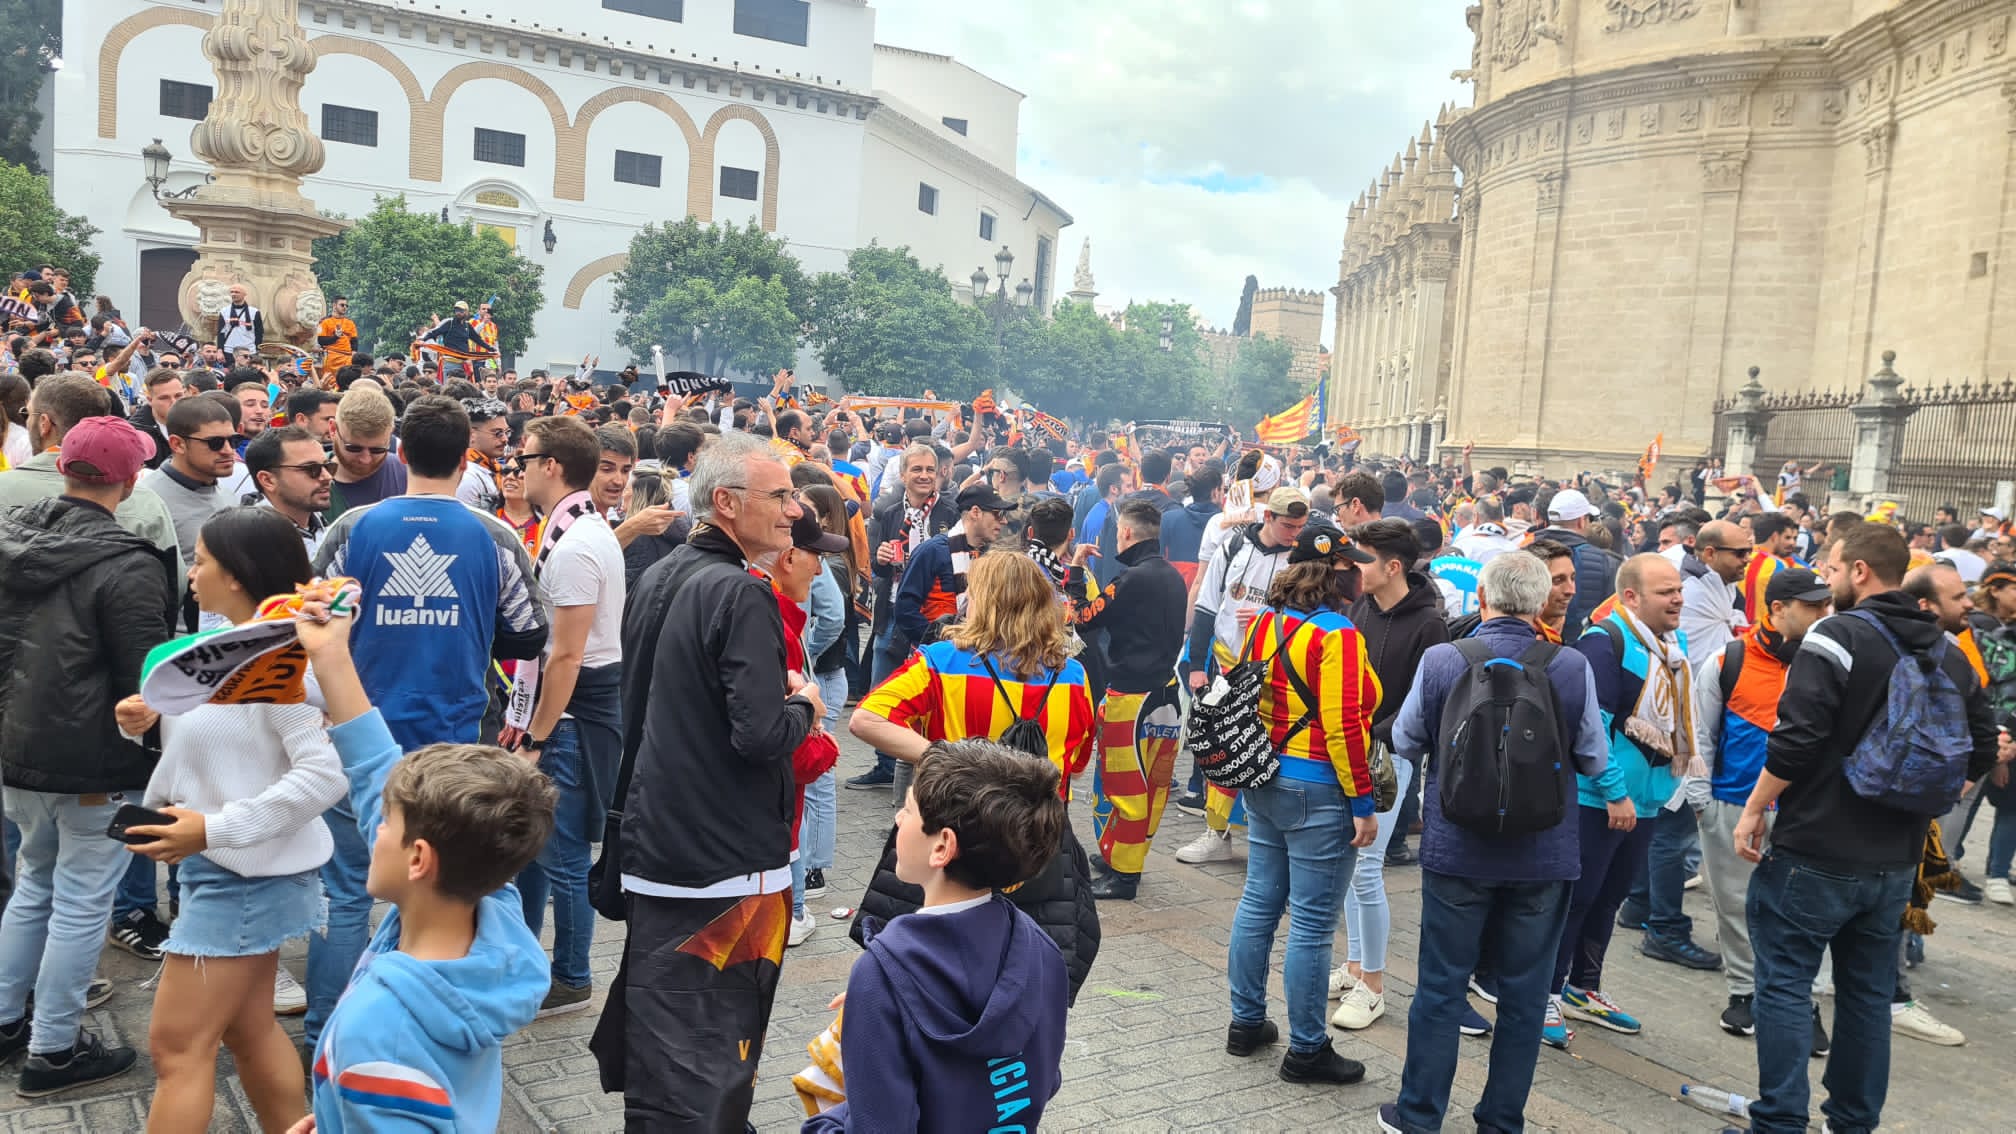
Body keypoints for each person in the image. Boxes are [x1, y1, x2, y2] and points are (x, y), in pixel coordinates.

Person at [1735, 523, 1998, 1134]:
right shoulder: (1948, 650)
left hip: (1816, 845)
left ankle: (1779, 1121)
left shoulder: (1837, 635)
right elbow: (1984, 747)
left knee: (1784, 984)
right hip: (1895, 857)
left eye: (1831, 568)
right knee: (1867, 996)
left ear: (1859, 571)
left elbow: (1797, 739)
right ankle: (1852, 1122)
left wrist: (1754, 809)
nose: (1826, 579)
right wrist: (1930, 800)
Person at [596, 431, 822, 1130]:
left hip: (657, 845)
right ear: (726, 502)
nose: (794, 512)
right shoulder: (741, 592)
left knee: (665, 1046)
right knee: (715, 1051)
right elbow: (760, 736)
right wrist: (805, 706)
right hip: (725, 866)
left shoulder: (662, 571)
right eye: (780, 496)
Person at [308, 395, 547, 1054]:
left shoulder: (352, 527)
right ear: (465, 456)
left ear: (401, 451)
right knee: (454, 890)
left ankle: (326, 1035)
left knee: (345, 893)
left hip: (358, 732)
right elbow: (530, 632)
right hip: (455, 742)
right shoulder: (493, 535)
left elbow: (311, 615)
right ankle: (441, 1024)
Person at [283, 582, 555, 1131]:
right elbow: (373, 774)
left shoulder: (377, 1032)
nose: (373, 826)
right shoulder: (495, 919)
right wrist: (331, 654)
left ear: (419, 859)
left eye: (386, 823)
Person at [116, 508, 346, 1131]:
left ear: (238, 575)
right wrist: (144, 722)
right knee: (247, 1030)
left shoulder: (279, 659)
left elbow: (324, 775)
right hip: (227, 871)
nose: (191, 574)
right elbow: (223, 745)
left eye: (200, 561)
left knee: (177, 1048)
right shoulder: (226, 648)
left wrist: (213, 830)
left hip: (240, 877)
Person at [1376, 552, 1611, 1134]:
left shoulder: (1443, 659)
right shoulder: (1571, 665)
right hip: (1544, 856)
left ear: (1482, 600)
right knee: (1525, 997)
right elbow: (1593, 758)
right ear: (1541, 603)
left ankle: (1419, 1114)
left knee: (1440, 986)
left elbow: (1405, 739)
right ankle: (1502, 1121)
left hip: (1457, 850)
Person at [0, 416, 175, 1097]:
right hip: (91, 755)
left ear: (63, 467)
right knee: (78, 899)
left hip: (19, 742)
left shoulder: (12, 535)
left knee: (35, 880)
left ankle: (8, 1021)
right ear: (129, 484)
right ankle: (53, 1047)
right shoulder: (128, 562)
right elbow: (144, 681)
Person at [802, 740, 1069, 1133]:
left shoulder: (880, 976)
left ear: (942, 846)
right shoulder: (1041, 949)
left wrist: (827, 1118)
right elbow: (1044, 1078)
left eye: (909, 809)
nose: (898, 817)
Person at [1222, 517, 1380, 1086]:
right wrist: (1363, 801)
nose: (1358, 574)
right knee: (1311, 925)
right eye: (1352, 564)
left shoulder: (1267, 621)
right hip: (1318, 786)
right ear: (1334, 571)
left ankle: (1246, 1022)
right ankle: (1308, 1048)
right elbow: (1344, 725)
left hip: (1264, 774)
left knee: (1258, 902)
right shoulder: (1338, 634)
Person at [505, 417, 627, 1017]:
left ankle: (573, 975)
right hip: (569, 712)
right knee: (538, 852)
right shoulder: (577, 530)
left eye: (524, 460)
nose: (517, 470)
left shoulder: (576, 543)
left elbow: (568, 655)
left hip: (570, 718)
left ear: (550, 466)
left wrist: (537, 734)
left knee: (563, 857)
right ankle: (529, 958)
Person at [1688, 566, 1833, 1048]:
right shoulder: (1728, 660)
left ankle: (1801, 1002)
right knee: (1735, 905)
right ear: (1777, 609)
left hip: (1804, 810)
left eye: (1826, 604)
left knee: (1800, 911)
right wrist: (1702, 802)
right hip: (1731, 801)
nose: (1823, 613)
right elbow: (1701, 734)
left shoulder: (1830, 663)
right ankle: (1744, 991)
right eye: (1812, 606)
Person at [1547, 554, 1688, 1048]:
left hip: (1645, 801)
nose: (1678, 599)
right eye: (1666, 592)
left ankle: (1583, 987)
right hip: (1601, 800)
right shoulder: (1604, 642)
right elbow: (1593, 729)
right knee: (1575, 899)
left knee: (1609, 898)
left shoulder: (1671, 645)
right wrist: (1615, 793)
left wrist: (1662, 791)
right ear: (1631, 596)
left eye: (1678, 589)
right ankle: (1545, 993)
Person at [1333, 519, 1448, 1026]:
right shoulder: (1360, 607)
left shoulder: (1430, 624)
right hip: (1350, 747)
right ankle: (1356, 966)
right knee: (1351, 864)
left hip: (1390, 757)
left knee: (1366, 868)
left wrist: (1374, 731)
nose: (1355, 568)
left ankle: (1374, 984)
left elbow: (1422, 701)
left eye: (1364, 560)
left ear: (1393, 566)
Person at [1177, 486, 1311, 866]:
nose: (1294, 534)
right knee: (1221, 747)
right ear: (1268, 517)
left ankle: (1270, 838)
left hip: (1277, 671)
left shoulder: (1302, 558)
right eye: (1288, 526)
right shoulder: (1233, 546)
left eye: (1300, 527)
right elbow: (1207, 606)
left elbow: (1311, 612)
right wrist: (1197, 666)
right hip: (1227, 666)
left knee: (1271, 752)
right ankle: (1216, 833)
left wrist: (1270, 617)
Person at [1067, 498, 1189, 900]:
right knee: (1150, 786)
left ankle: (1124, 875)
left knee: (1126, 786)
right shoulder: (1170, 575)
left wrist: (1076, 571)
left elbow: (1083, 618)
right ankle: (1121, 856)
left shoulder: (1132, 579)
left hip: (1131, 697)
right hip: (1164, 692)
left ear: (1125, 532)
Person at [886, 483, 1015, 798]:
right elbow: (905, 609)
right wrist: (943, 636)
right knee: (918, 742)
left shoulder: (992, 556)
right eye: (997, 514)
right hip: (935, 660)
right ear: (975, 513)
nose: (1003, 522)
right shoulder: (933, 551)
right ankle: (905, 812)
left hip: (976, 665)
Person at [848, 443, 956, 790]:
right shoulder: (889, 512)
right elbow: (877, 568)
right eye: (917, 469)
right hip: (894, 610)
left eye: (929, 469)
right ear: (903, 474)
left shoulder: (951, 513)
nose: (924, 475)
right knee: (883, 686)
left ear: (939, 473)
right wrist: (881, 559)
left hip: (936, 615)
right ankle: (885, 764)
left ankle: (932, 766)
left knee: (933, 689)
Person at [139, 394, 238, 632]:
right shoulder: (147, 503)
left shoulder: (227, 495)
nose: (228, 451)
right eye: (215, 443)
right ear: (177, 444)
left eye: (233, 440)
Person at [1527, 488, 1616, 636]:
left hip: (1531, 639)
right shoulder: (1604, 561)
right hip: (1583, 641)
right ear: (1581, 521)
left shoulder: (1522, 551)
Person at [244, 425, 332, 556]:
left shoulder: (327, 528)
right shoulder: (247, 544)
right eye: (311, 469)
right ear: (268, 480)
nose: (327, 477)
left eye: (328, 466)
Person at [325, 384, 407, 520]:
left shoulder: (407, 475)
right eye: (354, 448)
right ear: (333, 429)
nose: (365, 459)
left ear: (390, 434)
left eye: (377, 450)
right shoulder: (309, 482)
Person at [1678, 519, 1753, 668]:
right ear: (1710, 554)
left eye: (1749, 552)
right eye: (1740, 553)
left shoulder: (1724, 584)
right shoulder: (1686, 592)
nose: (1748, 559)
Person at [1741, 513, 1802, 625]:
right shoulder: (1778, 565)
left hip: (1739, 629)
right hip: (1767, 630)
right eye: (1787, 537)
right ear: (1775, 537)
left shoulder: (1741, 559)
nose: (1792, 543)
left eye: (1794, 538)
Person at [458, 397, 510, 512]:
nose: (505, 439)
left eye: (507, 432)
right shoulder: (467, 478)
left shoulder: (493, 468)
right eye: (498, 433)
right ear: (471, 434)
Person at [127, 368, 183, 469]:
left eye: (178, 396)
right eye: (164, 398)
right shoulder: (135, 434)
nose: (174, 402)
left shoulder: (197, 422)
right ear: (149, 400)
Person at [315, 295, 357, 378]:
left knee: (346, 380)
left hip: (347, 357)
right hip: (331, 356)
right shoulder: (324, 322)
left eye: (346, 306)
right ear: (334, 305)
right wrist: (336, 337)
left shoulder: (350, 323)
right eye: (342, 305)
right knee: (329, 380)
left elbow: (354, 341)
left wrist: (354, 355)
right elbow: (321, 340)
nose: (345, 307)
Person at [216, 283, 262, 355]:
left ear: (244, 294)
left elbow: (259, 333)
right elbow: (221, 333)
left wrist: (257, 349)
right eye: (232, 292)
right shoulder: (224, 311)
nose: (233, 294)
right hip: (229, 350)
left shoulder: (254, 312)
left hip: (249, 351)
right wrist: (219, 350)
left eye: (237, 292)